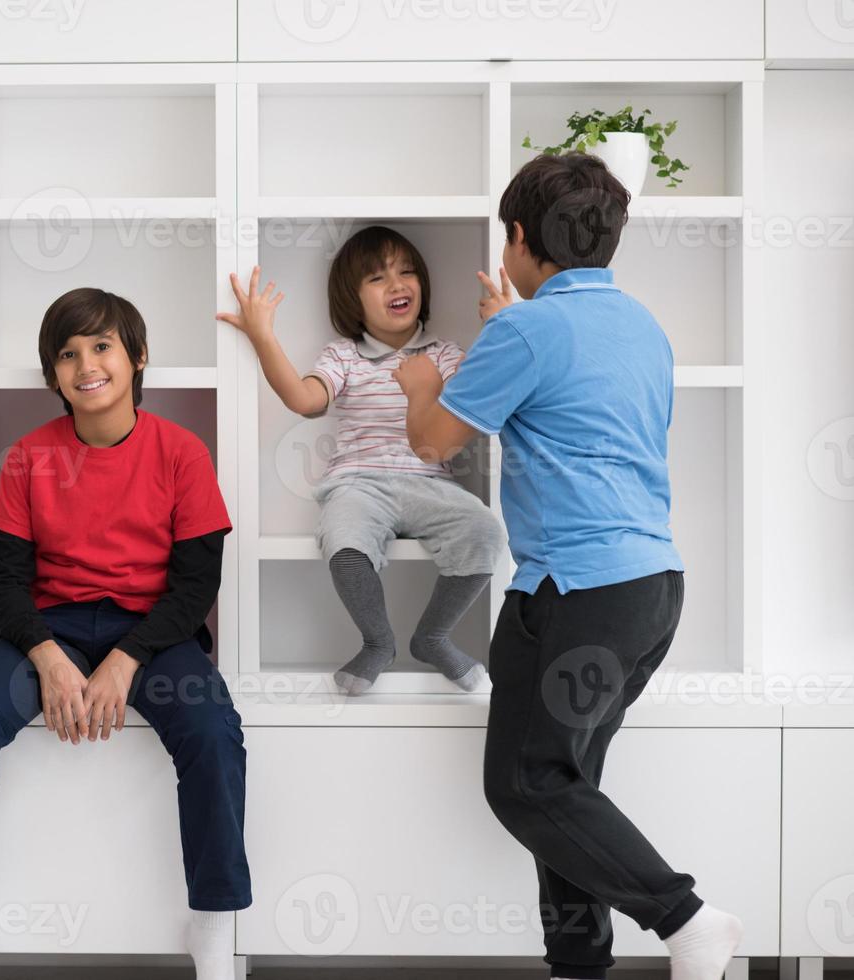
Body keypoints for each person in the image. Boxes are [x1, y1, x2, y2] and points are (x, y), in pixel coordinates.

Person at [393, 151, 743, 980]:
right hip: (648, 591)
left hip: (579, 593)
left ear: (517, 237)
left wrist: (417, 385)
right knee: (565, 781)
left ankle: (685, 918)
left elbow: (434, 443)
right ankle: (578, 962)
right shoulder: (640, 324)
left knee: (527, 784)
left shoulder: (525, 329)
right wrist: (503, 332)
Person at [0, 287, 250, 980]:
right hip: (46, 629)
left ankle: (213, 930)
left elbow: (195, 585)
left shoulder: (180, 453)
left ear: (137, 358)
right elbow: (2, 581)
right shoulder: (29, 457)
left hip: (154, 635)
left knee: (214, 733)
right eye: (66, 354)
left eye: (101, 347)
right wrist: (49, 659)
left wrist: (125, 660)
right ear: (52, 373)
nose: (85, 365)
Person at [216, 226, 504, 695]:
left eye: (407, 272)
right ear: (352, 299)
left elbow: (477, 401)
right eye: (378, 278)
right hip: (360, 483)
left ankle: (433, 638)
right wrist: (263, 336)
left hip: (434, 485)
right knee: (344, 546)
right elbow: (305, 401)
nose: (397, 284)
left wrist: (499, 328)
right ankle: (378, 642)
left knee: (486, 532)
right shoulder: (344, 357)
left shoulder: (444, 353)